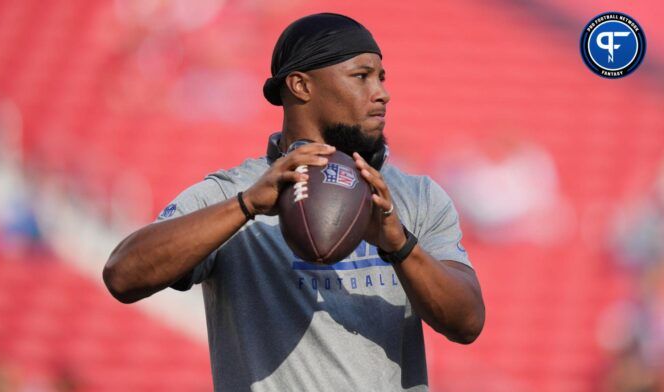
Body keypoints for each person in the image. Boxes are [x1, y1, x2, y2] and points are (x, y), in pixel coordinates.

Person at [103, 13, 485, 391]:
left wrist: (399, 244)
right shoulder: (233, 193)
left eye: (382, 78)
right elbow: (123, 276)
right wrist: (246, 206)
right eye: (361, 76)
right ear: (301, 86)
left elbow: (467, 323)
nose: (382, 92)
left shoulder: (415, 197)